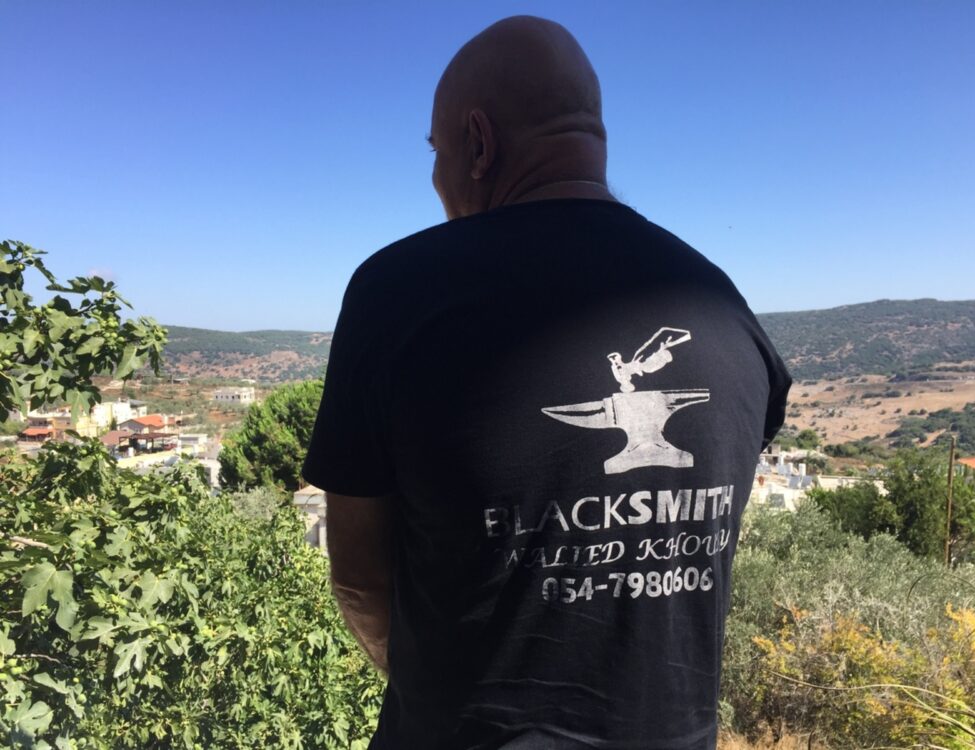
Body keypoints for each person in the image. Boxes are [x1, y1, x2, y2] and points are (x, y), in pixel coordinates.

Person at [304, 15, 791, 750]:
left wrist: (431, 691)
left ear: (478, 142)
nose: (434, 177)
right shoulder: (726, 309)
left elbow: (360, 580)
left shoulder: (397, 294)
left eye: (434, 153)